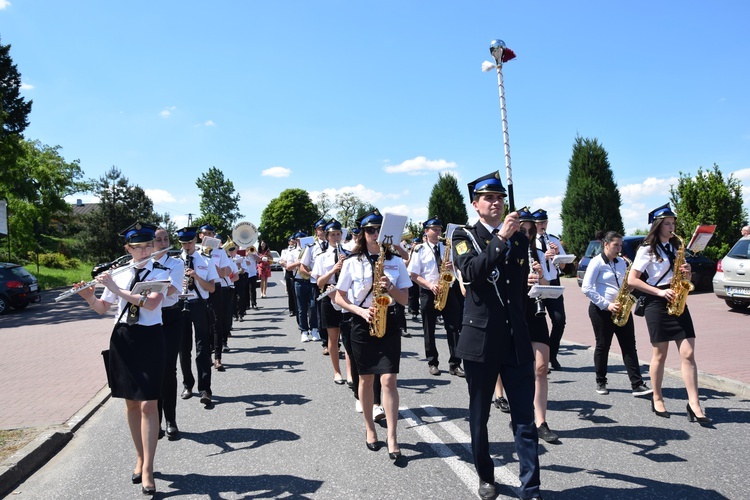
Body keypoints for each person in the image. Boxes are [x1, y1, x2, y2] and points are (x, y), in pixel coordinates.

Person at [452, 172, 542, 500]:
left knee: (524, 418)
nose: (496, 203)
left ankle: (531, 487)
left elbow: (515, 289)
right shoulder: (463, 236)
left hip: (516, 341)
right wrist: (500, 239)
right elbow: (472, 273)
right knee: (479, 417)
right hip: (482, 342)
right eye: (488, 198)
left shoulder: (520, 238)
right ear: (475, 204)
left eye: (499, 197)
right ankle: (486, 476)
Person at [75, 222, 169, 495]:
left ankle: (149, 468)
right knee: (130, 405)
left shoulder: (161, 272)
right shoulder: (118, 273)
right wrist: (88, 296)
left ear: (154, 246)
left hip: (151, 339)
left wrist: (115, 288)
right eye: (137, 247)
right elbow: (103, 308)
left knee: (149, 405)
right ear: (128, 248)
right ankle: (139, 457)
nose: (144, 251)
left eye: (148, 246)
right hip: (123, 339)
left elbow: (150, 303)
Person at [334, 209, 412, 461]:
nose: (375, 234)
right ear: (362, 234)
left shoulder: (396, 262)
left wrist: (390, 286)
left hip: (388, 321)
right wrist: (359, 310)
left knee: (389, 380)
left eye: (379, 230)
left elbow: (405, 300)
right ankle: (369, 428)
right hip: (361, 322)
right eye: (370, 230)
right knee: (366, 380)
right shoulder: (352, 262)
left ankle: (392, 436)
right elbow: (338, 295)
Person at [628, 204, 711, 423]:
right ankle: (657, 397)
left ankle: (694, 403)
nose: (672, 227)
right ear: (657, 225)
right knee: (660, 354)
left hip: (677, 300)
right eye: (667, 223)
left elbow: (684, 277)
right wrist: (659, 291)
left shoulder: (676, 247)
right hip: (657, 302)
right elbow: (632, 280)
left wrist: (687, 273)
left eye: (673, 223)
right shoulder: (646, 249)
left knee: (688, 353)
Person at [582, 230, 653, 398]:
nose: (619, 248)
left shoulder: (622, 262)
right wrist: (607, 305)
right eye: (616, 245)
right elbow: (586, 287)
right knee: (603, 346)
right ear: (606, 245)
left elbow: (628, 283)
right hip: (601, 310)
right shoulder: (596, 262)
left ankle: (637, 384)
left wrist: (630, 291)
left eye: (620, 245)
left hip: (622, 308)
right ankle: (601, 381)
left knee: (629, 346)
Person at [519, 208, 558, 443]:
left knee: (541, 368)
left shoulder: (538, 251)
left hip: (536, 311)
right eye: (522, 230)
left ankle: (541, 421)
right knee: (519, 370)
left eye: (530, 230)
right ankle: (522, 415)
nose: (527, 234)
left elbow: (547, 283)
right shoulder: (505, 252)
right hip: (515, 313)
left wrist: (540, 274)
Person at [407, 217, 464, 377]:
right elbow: (413, 274)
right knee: (429, 328)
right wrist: (430, 285)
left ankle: (455, 364)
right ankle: (433, 362)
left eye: (439, 229)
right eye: (435, 229)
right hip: (429, 291)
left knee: (454, 328)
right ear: (427, 231)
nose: (438, 232)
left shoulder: (447, 247)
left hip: (448, 289)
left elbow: (458, 268)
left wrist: (452, 266)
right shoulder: (419, 249)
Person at [178, 226, 218, 406]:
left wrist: (196, 277)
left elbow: (211, 288)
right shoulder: (174, 262)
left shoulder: (205, 260)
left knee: (202, 347)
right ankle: (188, 384)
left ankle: (205, 389)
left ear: (196, 241)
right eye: (184, 243)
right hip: (180, 305)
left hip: (199, 304)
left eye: (190, 242)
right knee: (183, 348)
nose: (187, 246)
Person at [152, 227, 185, 441]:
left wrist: (149, 291)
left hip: (171, 317)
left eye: (166, 239)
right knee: (153, 371)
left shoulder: (176, 263)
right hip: (150, 319)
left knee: (168, 370)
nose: (163, 243)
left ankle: (170, 419)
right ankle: (154, 422)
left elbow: (173, 290)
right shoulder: (143, 265)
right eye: (158, 240)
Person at [311, 218, 348, 383]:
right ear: (326, 236)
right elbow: (319, 282)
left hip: (346, 295)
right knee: (333, 337)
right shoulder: (321, 257)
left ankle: (351, 373)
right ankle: (336, 372)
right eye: (332, 234)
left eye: (338, 234)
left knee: (348, 337)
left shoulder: (349, 254)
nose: (335, 237)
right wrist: (333, 269)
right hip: (328, 294)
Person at [532, 209, 568, 371]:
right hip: (538, 284)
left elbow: (563, 266)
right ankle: (541, 357)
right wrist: (543, 257)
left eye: (544, 222)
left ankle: (552, 354)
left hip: (553, 282)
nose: (542, 226)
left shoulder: (554, 240)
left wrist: (557, 254)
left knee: (559, 320)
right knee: (539, 322)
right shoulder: (531, 241)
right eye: (539, 223)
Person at [301, 218, 329, 353]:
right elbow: (302, 267)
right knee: (320, 312)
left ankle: (335, 342)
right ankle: (325, 343)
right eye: (320, 229)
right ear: (316, 231)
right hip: (317, 284)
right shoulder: (311, 247)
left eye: (325, 229)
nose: (323, 231)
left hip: (333, 283)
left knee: (336, 312)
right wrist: (313, 274)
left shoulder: (334, 245)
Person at [279, 235, 299, 317]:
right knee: (291, 292)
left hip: (297, 271)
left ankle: (298, 308)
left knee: (297, 292)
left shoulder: (298, 249)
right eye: (291, 241)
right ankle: (292, 309)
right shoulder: (285, 251)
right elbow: (282, 261)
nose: (293, 242)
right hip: (289, 272)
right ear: (288, 242)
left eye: (294, 240)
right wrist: (288, 265)